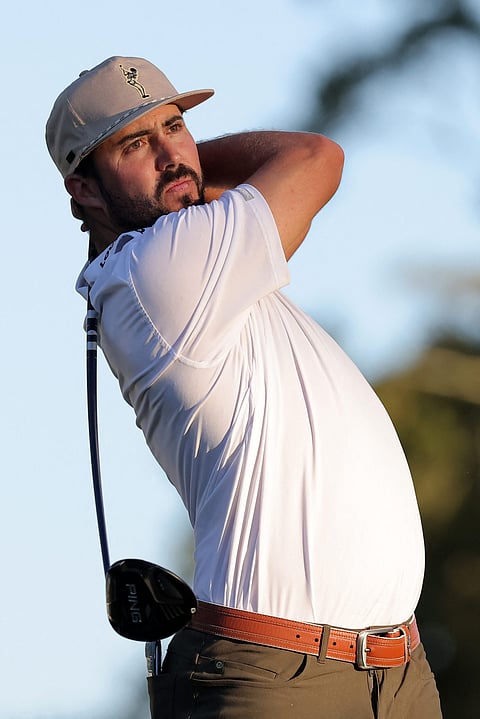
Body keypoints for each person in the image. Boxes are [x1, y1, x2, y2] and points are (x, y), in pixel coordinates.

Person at [46, 56, 442, 718]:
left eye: (175, 128)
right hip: (279, 677)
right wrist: (196, 166)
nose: (171, 154)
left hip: (391, 673)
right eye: (134, 143)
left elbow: (256, 191)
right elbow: (313, 157)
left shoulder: (190, 259)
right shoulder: (159, 270)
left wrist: (175, 170)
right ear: (84, 191)